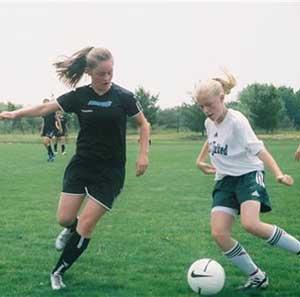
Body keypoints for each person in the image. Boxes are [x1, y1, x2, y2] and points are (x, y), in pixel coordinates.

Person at [0, 46, 150, 290]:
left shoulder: (124, 97)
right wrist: (14, 114)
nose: (107, 78)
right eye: (102, 73)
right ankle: (71, 229)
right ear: (89, 72)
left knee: (86, 225)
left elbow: (144, 124)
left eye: (111, 72)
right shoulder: (79, 96)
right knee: (65, 218)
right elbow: (43, 109)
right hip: (82, 165)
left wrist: (143, 154)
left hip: (110, 171)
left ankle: (58, 272)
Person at [194, 71, 300, 291]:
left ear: (222, 98)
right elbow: (211, 137)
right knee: (219, 234)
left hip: (249, 175)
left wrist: (279, 173)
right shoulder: (209, 121)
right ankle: (257, 276)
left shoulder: (237, 122)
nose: (206, 111)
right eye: (202, 106)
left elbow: (260, 151)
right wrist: (200, 160)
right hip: (224, 180)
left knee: (251, 224)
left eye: (210, 105)